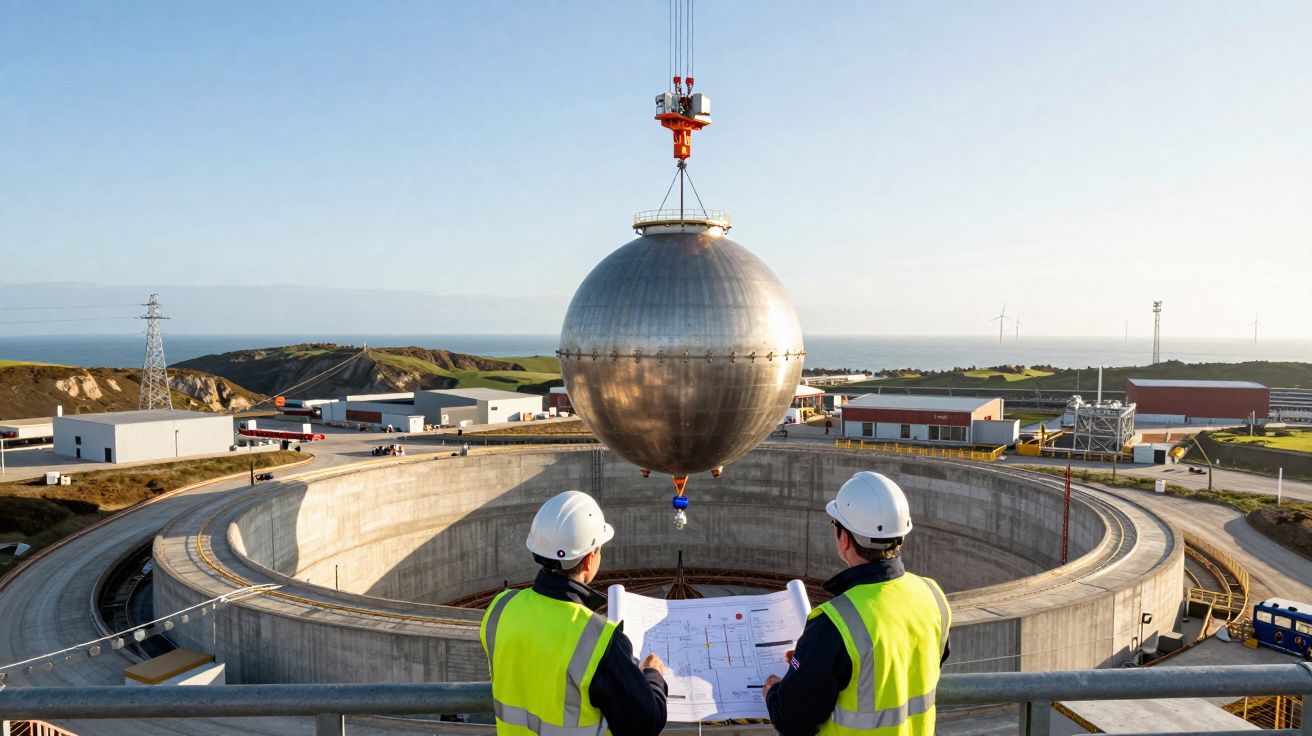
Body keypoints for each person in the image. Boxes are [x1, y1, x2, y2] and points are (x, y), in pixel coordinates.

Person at [764, 472, 951, 736]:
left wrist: (773, 691)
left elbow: (792, 719)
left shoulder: (834, 624)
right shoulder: (933, 596)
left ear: (845, 538)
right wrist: (815, 663)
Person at [481, 491, 669, 736]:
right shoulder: (596, 639)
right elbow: (647, 722)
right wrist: (653, 675)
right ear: (590, 559)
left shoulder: (500, 609)